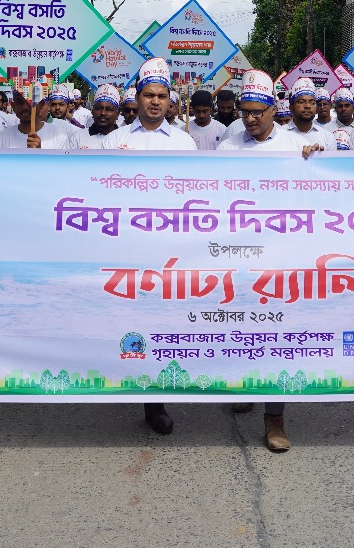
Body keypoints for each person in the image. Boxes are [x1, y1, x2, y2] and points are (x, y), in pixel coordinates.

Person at [218, 70, 322, 453]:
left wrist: (316, 165)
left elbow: (318, 198)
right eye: (244, 112)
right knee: (243, 328)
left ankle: (274, 417)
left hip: (282, 255)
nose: (249, 119)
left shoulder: (298, 146)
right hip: (239, 255)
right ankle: (247, 386)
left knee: (278, 335)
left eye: (256, 112)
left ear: (273, 110)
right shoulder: (227, 149)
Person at [103, 58, 196, 435]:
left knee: (163, 320)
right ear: (137, 97)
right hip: (127, 246)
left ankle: (155, 399)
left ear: (170, 101)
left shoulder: (184, 142)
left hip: (169, 247)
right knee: (128, 320)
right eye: (148, 95)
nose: (155, 102)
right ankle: (125, 385)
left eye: (161, 96)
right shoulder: (115, 141)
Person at [0, 88, 76, 149]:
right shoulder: (2, 139)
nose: (25, 107)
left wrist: (39, 154)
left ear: (41, 105)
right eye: (19, 102)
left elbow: (63, 168)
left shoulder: (58, 136)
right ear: (13, 106)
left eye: (30, 102)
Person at [283, 78, 333, 150]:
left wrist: (320, 156)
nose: (307, 106)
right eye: (301, 102)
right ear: (291, 108)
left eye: (312, 102)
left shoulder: (327, 137)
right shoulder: (280, 134)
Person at [72, 84, 121, 148]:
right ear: (92, 111)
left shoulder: (125, 139)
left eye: (108, 109)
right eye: (98, 108)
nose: (103, 113)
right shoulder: (77, 138)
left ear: (117, 114)